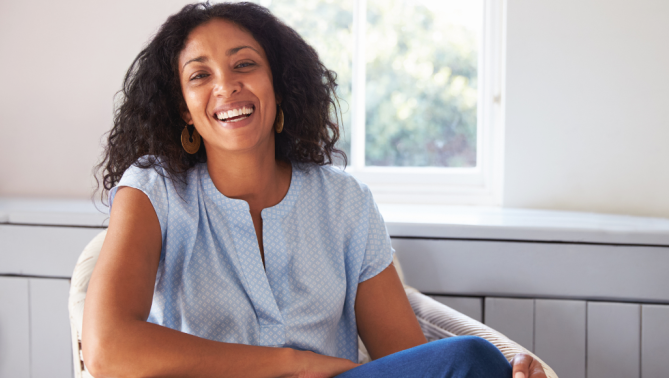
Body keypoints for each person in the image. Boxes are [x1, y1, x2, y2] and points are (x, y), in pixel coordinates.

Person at [83, 2, 547, 377]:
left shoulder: (344, 203)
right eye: (199, 75)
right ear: (184, 109)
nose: (226, 85)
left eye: (245, 64)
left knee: (472, 361)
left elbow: (407, 361)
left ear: (279, 87)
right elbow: (107, 350)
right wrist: (292, 364)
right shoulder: (153, 189)